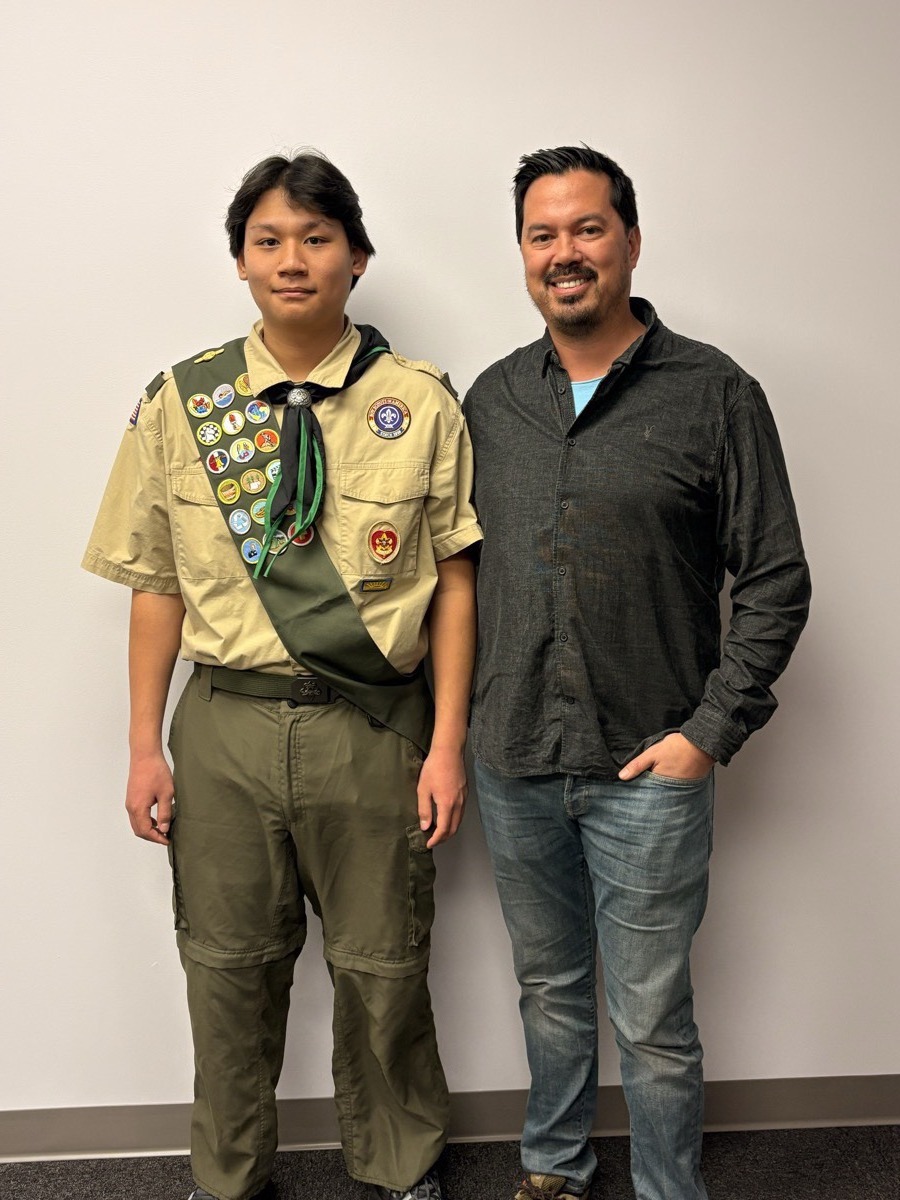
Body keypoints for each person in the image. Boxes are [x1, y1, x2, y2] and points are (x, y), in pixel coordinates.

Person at [83, 151, 481, 1200]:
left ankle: (400, 1165)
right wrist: (140, 745)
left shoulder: (421, 402)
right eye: (269, 240)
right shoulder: (183, 403)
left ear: (356, 257)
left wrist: (446, 745)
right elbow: (157, 584)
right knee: (225, 970)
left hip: (373, 726)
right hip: (224, 727)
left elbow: (451, 585)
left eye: (316, 238)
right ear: (241, 260)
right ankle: (229, 1175)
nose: (293, 259)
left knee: (385, 965)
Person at [463, 146, 810, 1200]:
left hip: (649, 768)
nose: (564, 254)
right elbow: (455, 578)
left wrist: (709, 731)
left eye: (586, 228)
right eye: (542, 234)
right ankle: (554, 1169)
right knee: (548, 990)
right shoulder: (491, 400)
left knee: (653, 1019)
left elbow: (777, 577)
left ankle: (668, 1189)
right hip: (515, 756)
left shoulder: (714, 393)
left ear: (631, 240)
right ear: (522, 253)